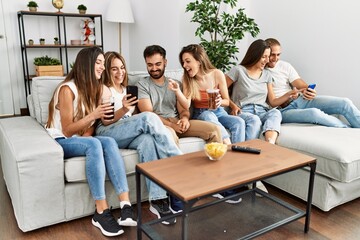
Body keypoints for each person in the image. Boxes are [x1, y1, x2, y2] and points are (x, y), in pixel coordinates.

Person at [45, 47, 135, 237]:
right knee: (94, 144)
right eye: (99, 63)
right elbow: (67, 130)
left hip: (78, 139)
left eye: (103, 63)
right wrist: (93, 117)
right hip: (60, 140)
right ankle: (101, 212)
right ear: (86, 64)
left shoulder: (94, 89)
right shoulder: (67, 89)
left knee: (108, 141)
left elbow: (90, 128)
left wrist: (90, 136)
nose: (102, 67)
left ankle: (125, 204)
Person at [95, 51, 183, 225]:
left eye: (122, 68)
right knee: (149, 117)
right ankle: (176, 158)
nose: (120, 72)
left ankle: (157, 200)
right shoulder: (104, 89)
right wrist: (124, 109)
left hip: (126, 132)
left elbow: (131, 118)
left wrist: (131, 110)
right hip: (108, 131)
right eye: (114, 69)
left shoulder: (126, 88)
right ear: (106, 70)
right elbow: (105, 121)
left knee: (148, 142)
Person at [137, 45, 222, 146]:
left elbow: (183, 110)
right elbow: (149, 115)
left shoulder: (175, 84)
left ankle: (215, 159)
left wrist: (185, 119)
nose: (154, 68)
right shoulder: (142, 85)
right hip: (160, 124)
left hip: (177, 122)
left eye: (158, 64)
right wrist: (171, 125)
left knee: (214, 130)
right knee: (170, 136)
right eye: (150, 65)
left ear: (165, 62)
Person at [265, 38, 360, 128]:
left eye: (278, 55)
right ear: (265, 53)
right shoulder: (261, 72)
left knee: (345, 103)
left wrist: (308, 91)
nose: (275, 58)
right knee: (314, 113)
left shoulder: (284, 66)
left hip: (300, 100)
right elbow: (272, 102)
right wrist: (289, 94)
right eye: (272, 55)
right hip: (283, 110)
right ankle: (348, 130)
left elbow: (300, 85)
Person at [178, 44, 247, 145]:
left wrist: (220, 102)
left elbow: (227, 101)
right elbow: (186, 105)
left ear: (199, 61)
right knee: (208, 115)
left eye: (188, 61)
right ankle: (228, 146)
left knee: (239, 122)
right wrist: (177, 91)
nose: (184, 65)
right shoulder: (187, 79)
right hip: (201, 114)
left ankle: (238, 153)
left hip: (219, 111)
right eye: (183, 62)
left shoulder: (217, 74)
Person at [226, 39, 283, 145]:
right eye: (263, 57)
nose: (267, 60)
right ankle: (245, 152)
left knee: (275, 112)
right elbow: (220, 89)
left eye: (268, 56)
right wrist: (232, 106)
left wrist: (289, 95)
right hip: (243, 111)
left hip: (262, 111)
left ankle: (270, 144)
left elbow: (273, 101)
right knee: (254, 119)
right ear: (255, 55)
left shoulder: (267, 74)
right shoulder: (239, 70)